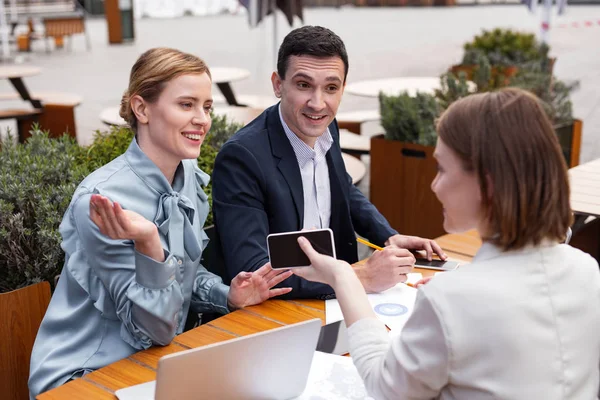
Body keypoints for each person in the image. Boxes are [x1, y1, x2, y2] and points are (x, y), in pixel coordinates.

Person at [293, 88, 600, 399]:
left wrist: (343, 276)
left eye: (441, 168)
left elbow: (384, 384)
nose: (433, 184)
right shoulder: (587, 271)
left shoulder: (451, 300)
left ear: (486, 183)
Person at [28, 48, 292, 398]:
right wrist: (149, 242)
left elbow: (182, 275)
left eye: (207, 106)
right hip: (84, 376)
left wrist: (228, 294)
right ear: (142, 109)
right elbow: (151, 331)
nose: (203, 119)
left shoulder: (188, 178)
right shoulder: (100, 201)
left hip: (154, 365)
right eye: (187, 105)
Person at [212, 25, 445, 299]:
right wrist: (358, 276)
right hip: (281, 312)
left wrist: (387, 236)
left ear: (342, 88)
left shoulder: (325, 127)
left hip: (340, 299)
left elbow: (342, 188)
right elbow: (253, 272)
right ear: (278, 84)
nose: (318, 103)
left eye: (331, 88)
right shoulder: (241, 157)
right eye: (303, 85)